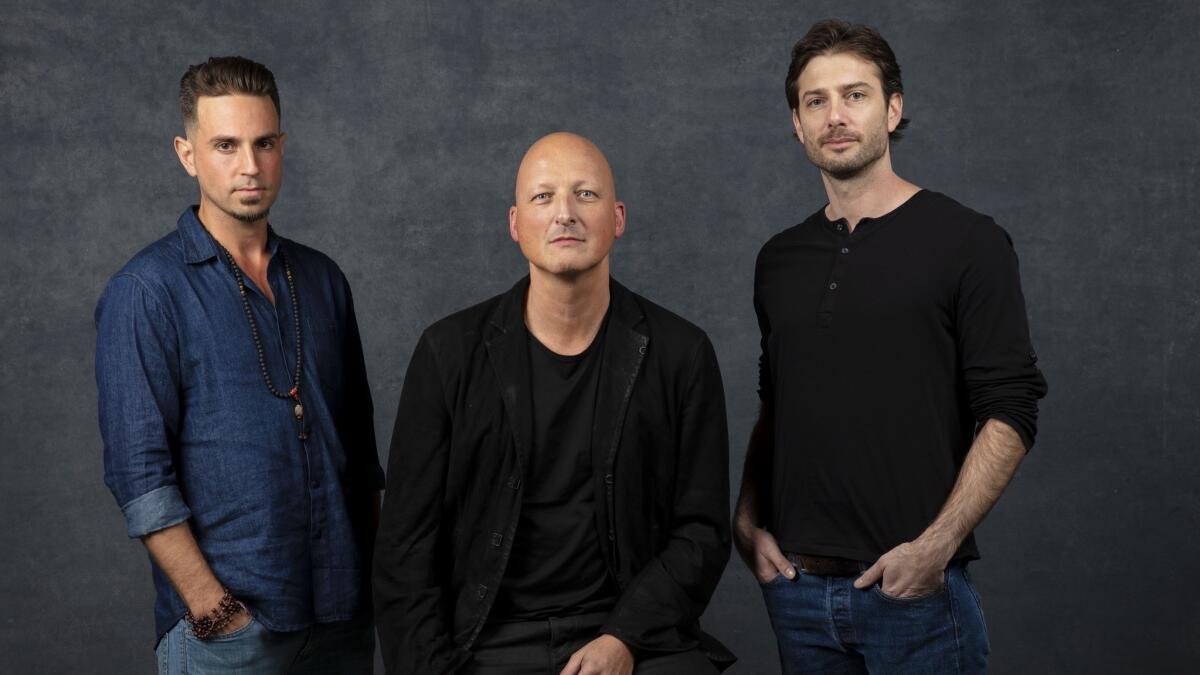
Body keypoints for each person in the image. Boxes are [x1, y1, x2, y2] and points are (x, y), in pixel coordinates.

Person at [733, 20, 1048, 674]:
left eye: (856, 94)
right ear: (796, 123)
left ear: (893, 107)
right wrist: (747, 515)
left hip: (918, 593)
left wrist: (937, 545)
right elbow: (778, 400)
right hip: (798, 593)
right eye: (815, 101)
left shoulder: (968, 242)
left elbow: (1011, 407)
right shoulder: (779, 260)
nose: (835, 115)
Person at [374, 132, 735, 675]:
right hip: (487, 639)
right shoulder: (448, 353)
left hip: (627, 631)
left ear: (617, 218)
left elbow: (701, 533)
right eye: (543, 197)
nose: (564, 213)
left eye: (584, 195)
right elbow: (405, 547)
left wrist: (623, 639)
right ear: (516, 224)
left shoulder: (682, 353)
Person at [95, 56, 383, 674]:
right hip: (229, 635)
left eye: (264, 143)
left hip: (343, 619)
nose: (249, 165)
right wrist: (214, 609)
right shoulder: (146, 291)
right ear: (187, 153)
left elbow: (360, 455)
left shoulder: (323, 279)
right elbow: (140, 476)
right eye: (225, 145)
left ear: (282, 146)